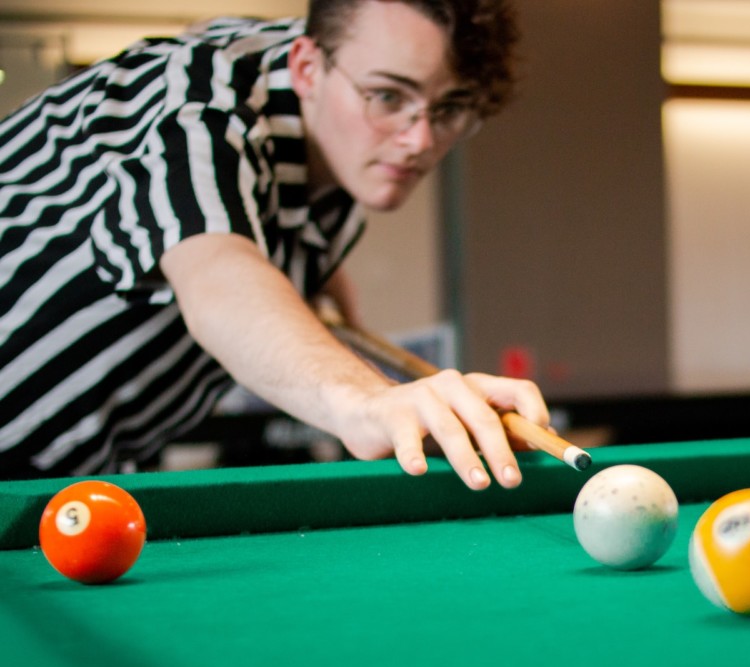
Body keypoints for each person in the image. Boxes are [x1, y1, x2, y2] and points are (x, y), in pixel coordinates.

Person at [0, 0, 549, 490]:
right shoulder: (194, 103)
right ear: (307, 67)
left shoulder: (333, 135)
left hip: (72, 479)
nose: (420, 141)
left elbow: (247, 260)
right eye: (387, 95)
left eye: (449, 108)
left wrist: (298, 275)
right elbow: (218, 277)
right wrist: (368, 400)